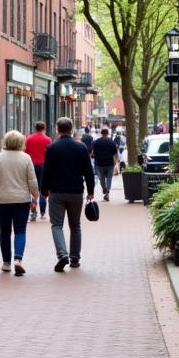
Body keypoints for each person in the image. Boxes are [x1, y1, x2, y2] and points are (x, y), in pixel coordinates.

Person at [41, 116, 95, 271]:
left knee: (57, 225)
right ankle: (75, 258)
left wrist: (44, 191)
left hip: (57, 192)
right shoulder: (81, 147)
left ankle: (62, 254)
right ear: (71, 129)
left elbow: (47, 172)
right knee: (75, 225)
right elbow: (89, 172)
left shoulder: (52, 148)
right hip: (76, 191)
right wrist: (90, 191)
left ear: (57, 129)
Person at [0, 130, 39, 276]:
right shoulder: (26, 158)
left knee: (5, 231)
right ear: (21, 142)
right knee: (20, 230)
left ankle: (6, 263)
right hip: (21, 199)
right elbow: (32, 180)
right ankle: (18, 259)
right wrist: (35, 197)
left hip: (2, 199)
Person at [25, 120, 53, 222]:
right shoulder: (48, 139)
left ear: (35, 128)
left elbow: (25, 152)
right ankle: (42, 210)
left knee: (31, 189)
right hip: (43, 166)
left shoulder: (28, 139)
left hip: (31, 166)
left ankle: (33, 211)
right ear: (44, 128)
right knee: (43, 188)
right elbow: (50, 154)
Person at [91, 127, 119, 201]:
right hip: (110, 163)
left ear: (101, 133)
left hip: (99, 163)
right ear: (107, 133)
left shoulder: (96, 142)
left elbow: (93, 154)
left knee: (101, 178)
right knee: (109, 178)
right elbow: (115, 154)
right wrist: (115, 161)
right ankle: (107, 193)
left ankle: (104, 187)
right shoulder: (111, 142)